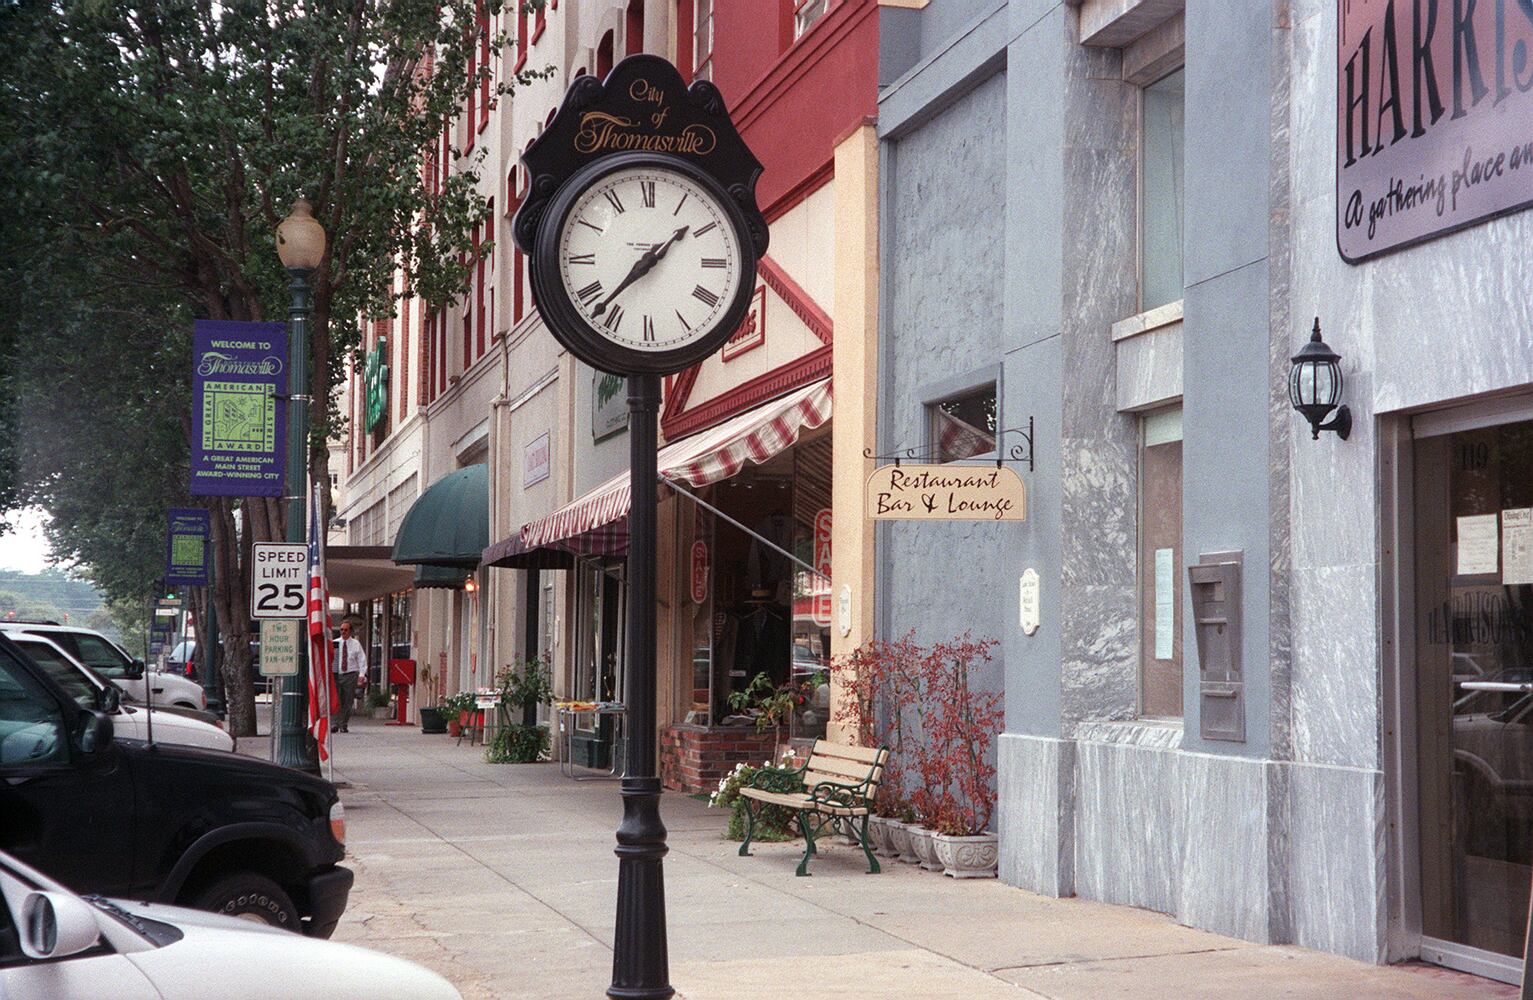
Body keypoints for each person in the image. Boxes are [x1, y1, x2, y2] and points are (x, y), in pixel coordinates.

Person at [333, 620, 366, 733]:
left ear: (350, 631)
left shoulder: (356, 644)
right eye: (341, 629)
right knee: (337, 700)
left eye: (346, 630)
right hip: (337, 675)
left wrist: (361, 675)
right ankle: (335, 724)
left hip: (350, 675)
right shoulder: (335, 643)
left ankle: (343, 724)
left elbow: (362, 660)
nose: (343, 632)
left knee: (348, 701)